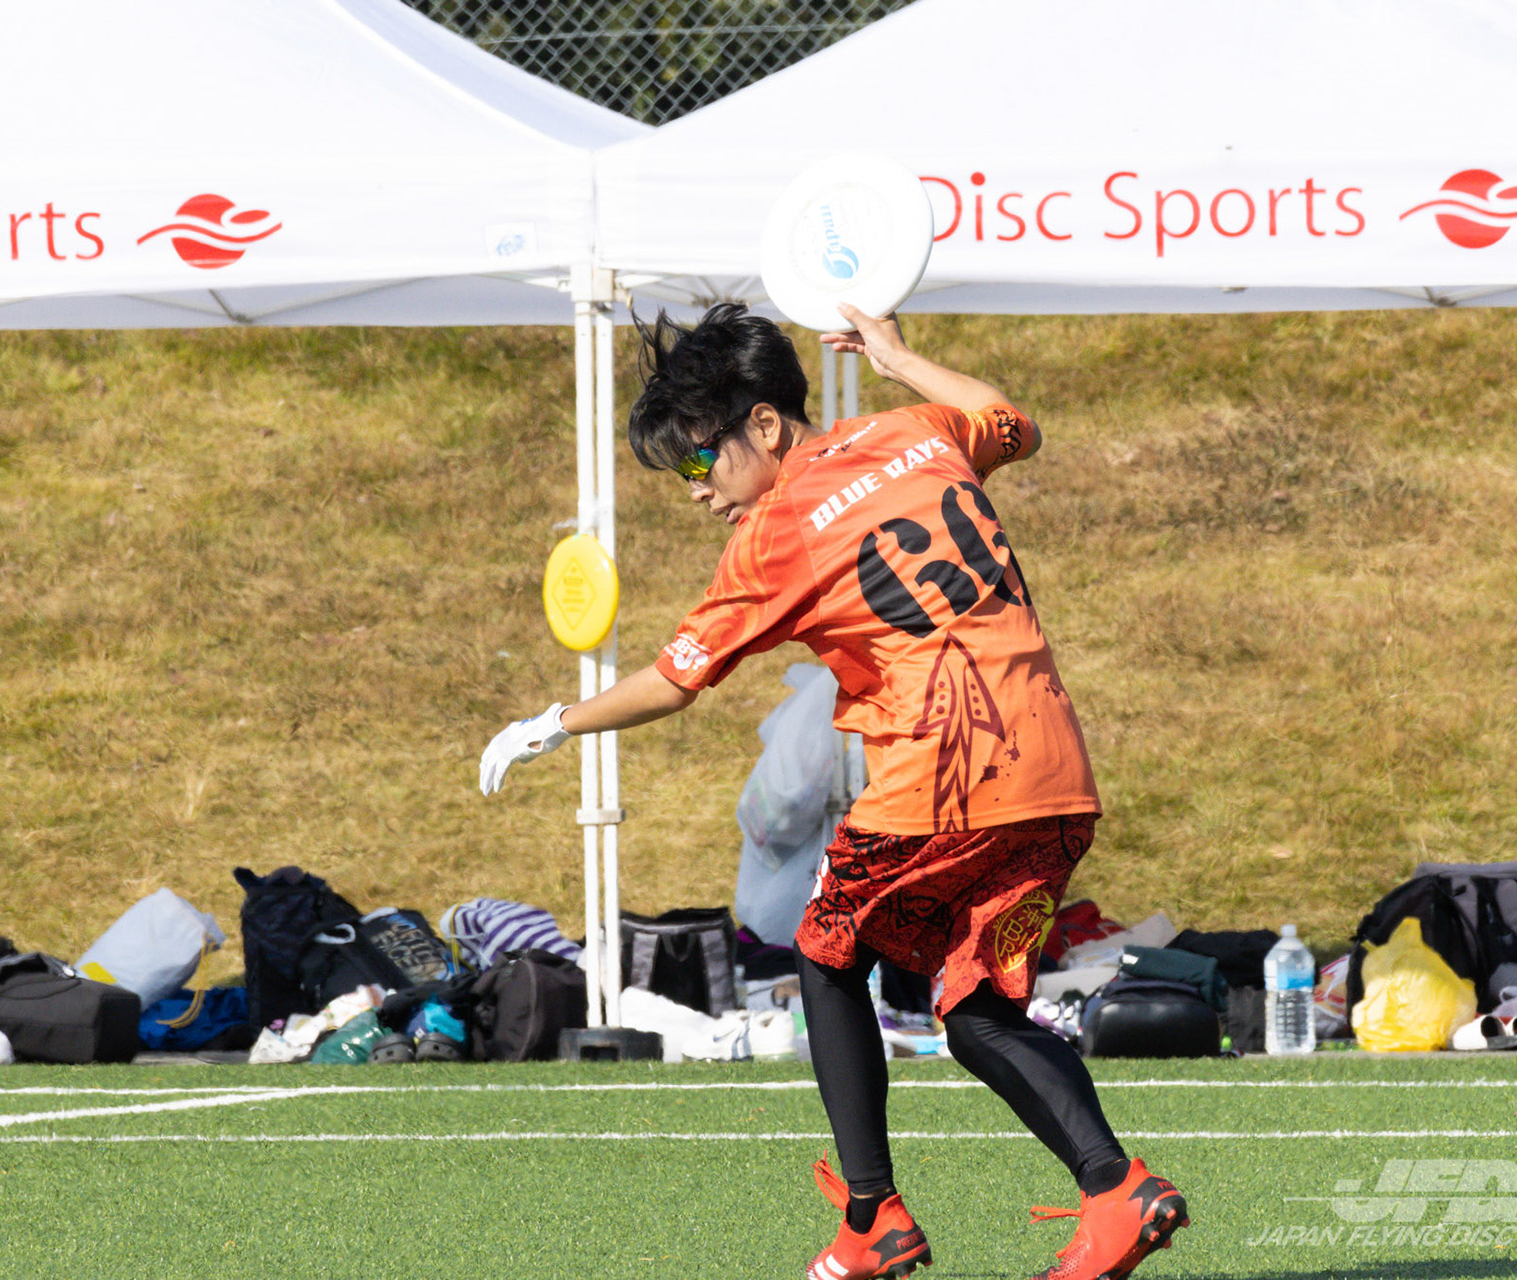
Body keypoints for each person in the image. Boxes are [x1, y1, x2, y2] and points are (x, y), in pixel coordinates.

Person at [479, 302, 1189, 1280]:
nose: (698, 492)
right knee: (976, 1009)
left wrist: (554, 721)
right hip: (1053, 773)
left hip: (944, 774)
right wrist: (899, 359)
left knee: (824, 946)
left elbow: (675, 679)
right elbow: (1014, 420)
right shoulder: (918, 432)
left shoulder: (779, 533)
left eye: (700, 460)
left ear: (766, 424)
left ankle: (873, 1218)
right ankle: (1117, 1190)